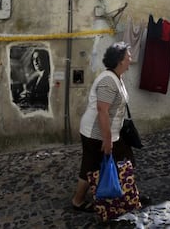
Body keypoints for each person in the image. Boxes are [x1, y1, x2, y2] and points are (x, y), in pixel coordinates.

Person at [71, 41, 136, 212]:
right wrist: (107, 140)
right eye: (128, 56)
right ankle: (77, 201)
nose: (131, 59)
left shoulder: (116, 77)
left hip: (112, 132)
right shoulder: (108, 80)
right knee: (90, 166)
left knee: (125, 159)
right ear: (120, 60)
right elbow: (102, 110)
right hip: (96, 133)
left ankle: (128, 194)